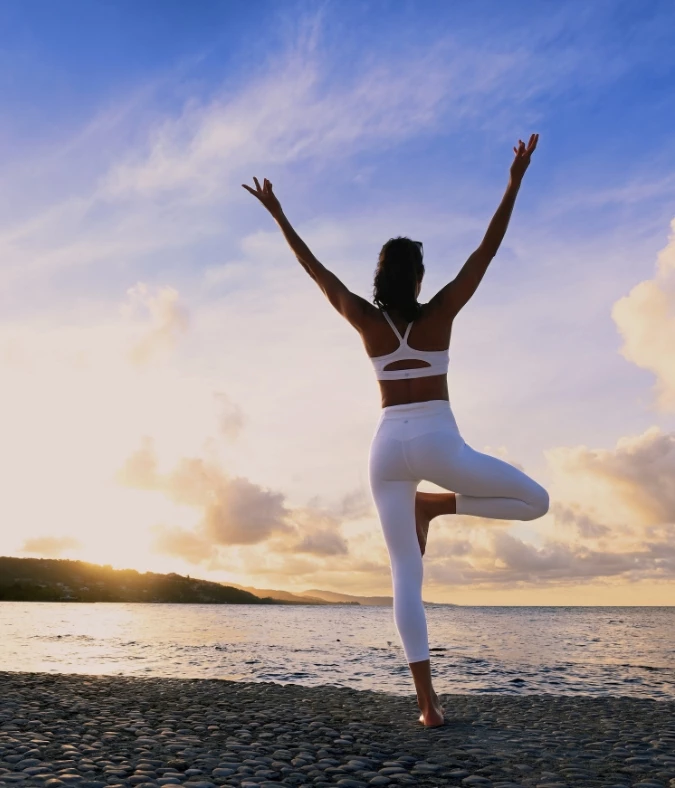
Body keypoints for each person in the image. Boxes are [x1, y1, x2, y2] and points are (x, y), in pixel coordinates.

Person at [242, 133, 548, 727]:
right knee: (535, 503)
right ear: (418, 277)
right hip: (438, 441)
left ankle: (427, 707)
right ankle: (438, 505)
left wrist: (279, 214)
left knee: (405, 577)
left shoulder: (363, 318)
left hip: (385, 448)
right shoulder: (440, 313)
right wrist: (514, 183)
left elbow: (317, 272)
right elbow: (487, 250)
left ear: (381, 276)